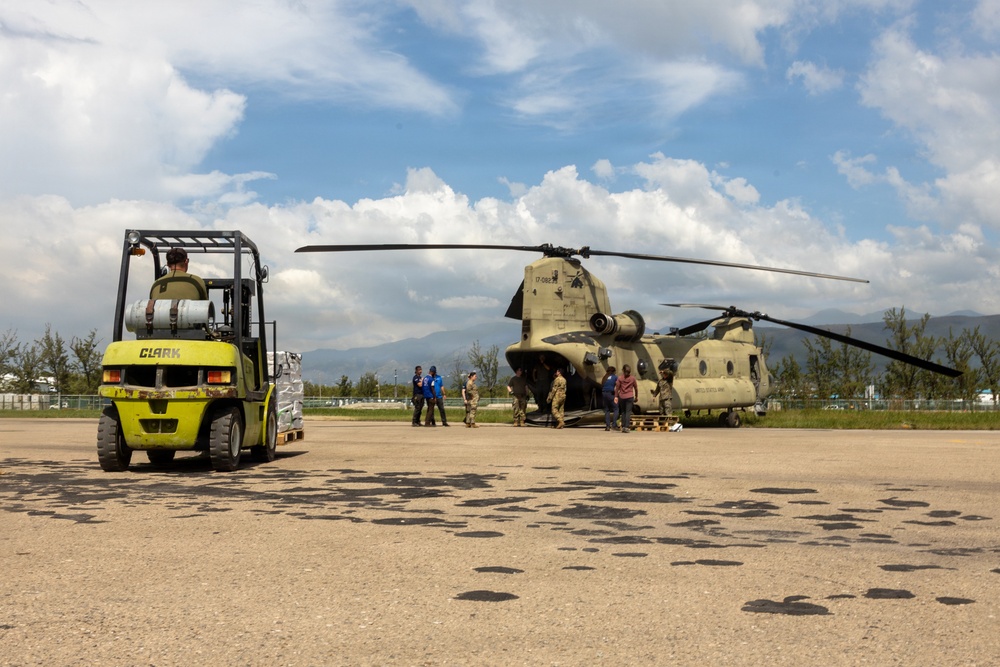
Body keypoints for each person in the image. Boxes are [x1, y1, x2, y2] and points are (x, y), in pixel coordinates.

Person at [614, 364, 638, 433]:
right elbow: (636, 388)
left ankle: (623, 426)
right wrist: (636, 396)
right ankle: (626, 427)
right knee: (628, 412)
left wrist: (616, 396)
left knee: (623, 412)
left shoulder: (620, 378)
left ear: (623, 370)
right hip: (630, 397)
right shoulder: (632, 378)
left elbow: (617, 388)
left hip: (622, 397)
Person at [600, 366, 619, 431]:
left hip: (604, 394)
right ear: (613, 371)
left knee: (607, 410)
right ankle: (614, 425)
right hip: (610, 394)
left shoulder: (605, 377)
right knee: (616, 409)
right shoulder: (615, 377)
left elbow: (602, 385)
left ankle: (607, 426)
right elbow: (618, 384)